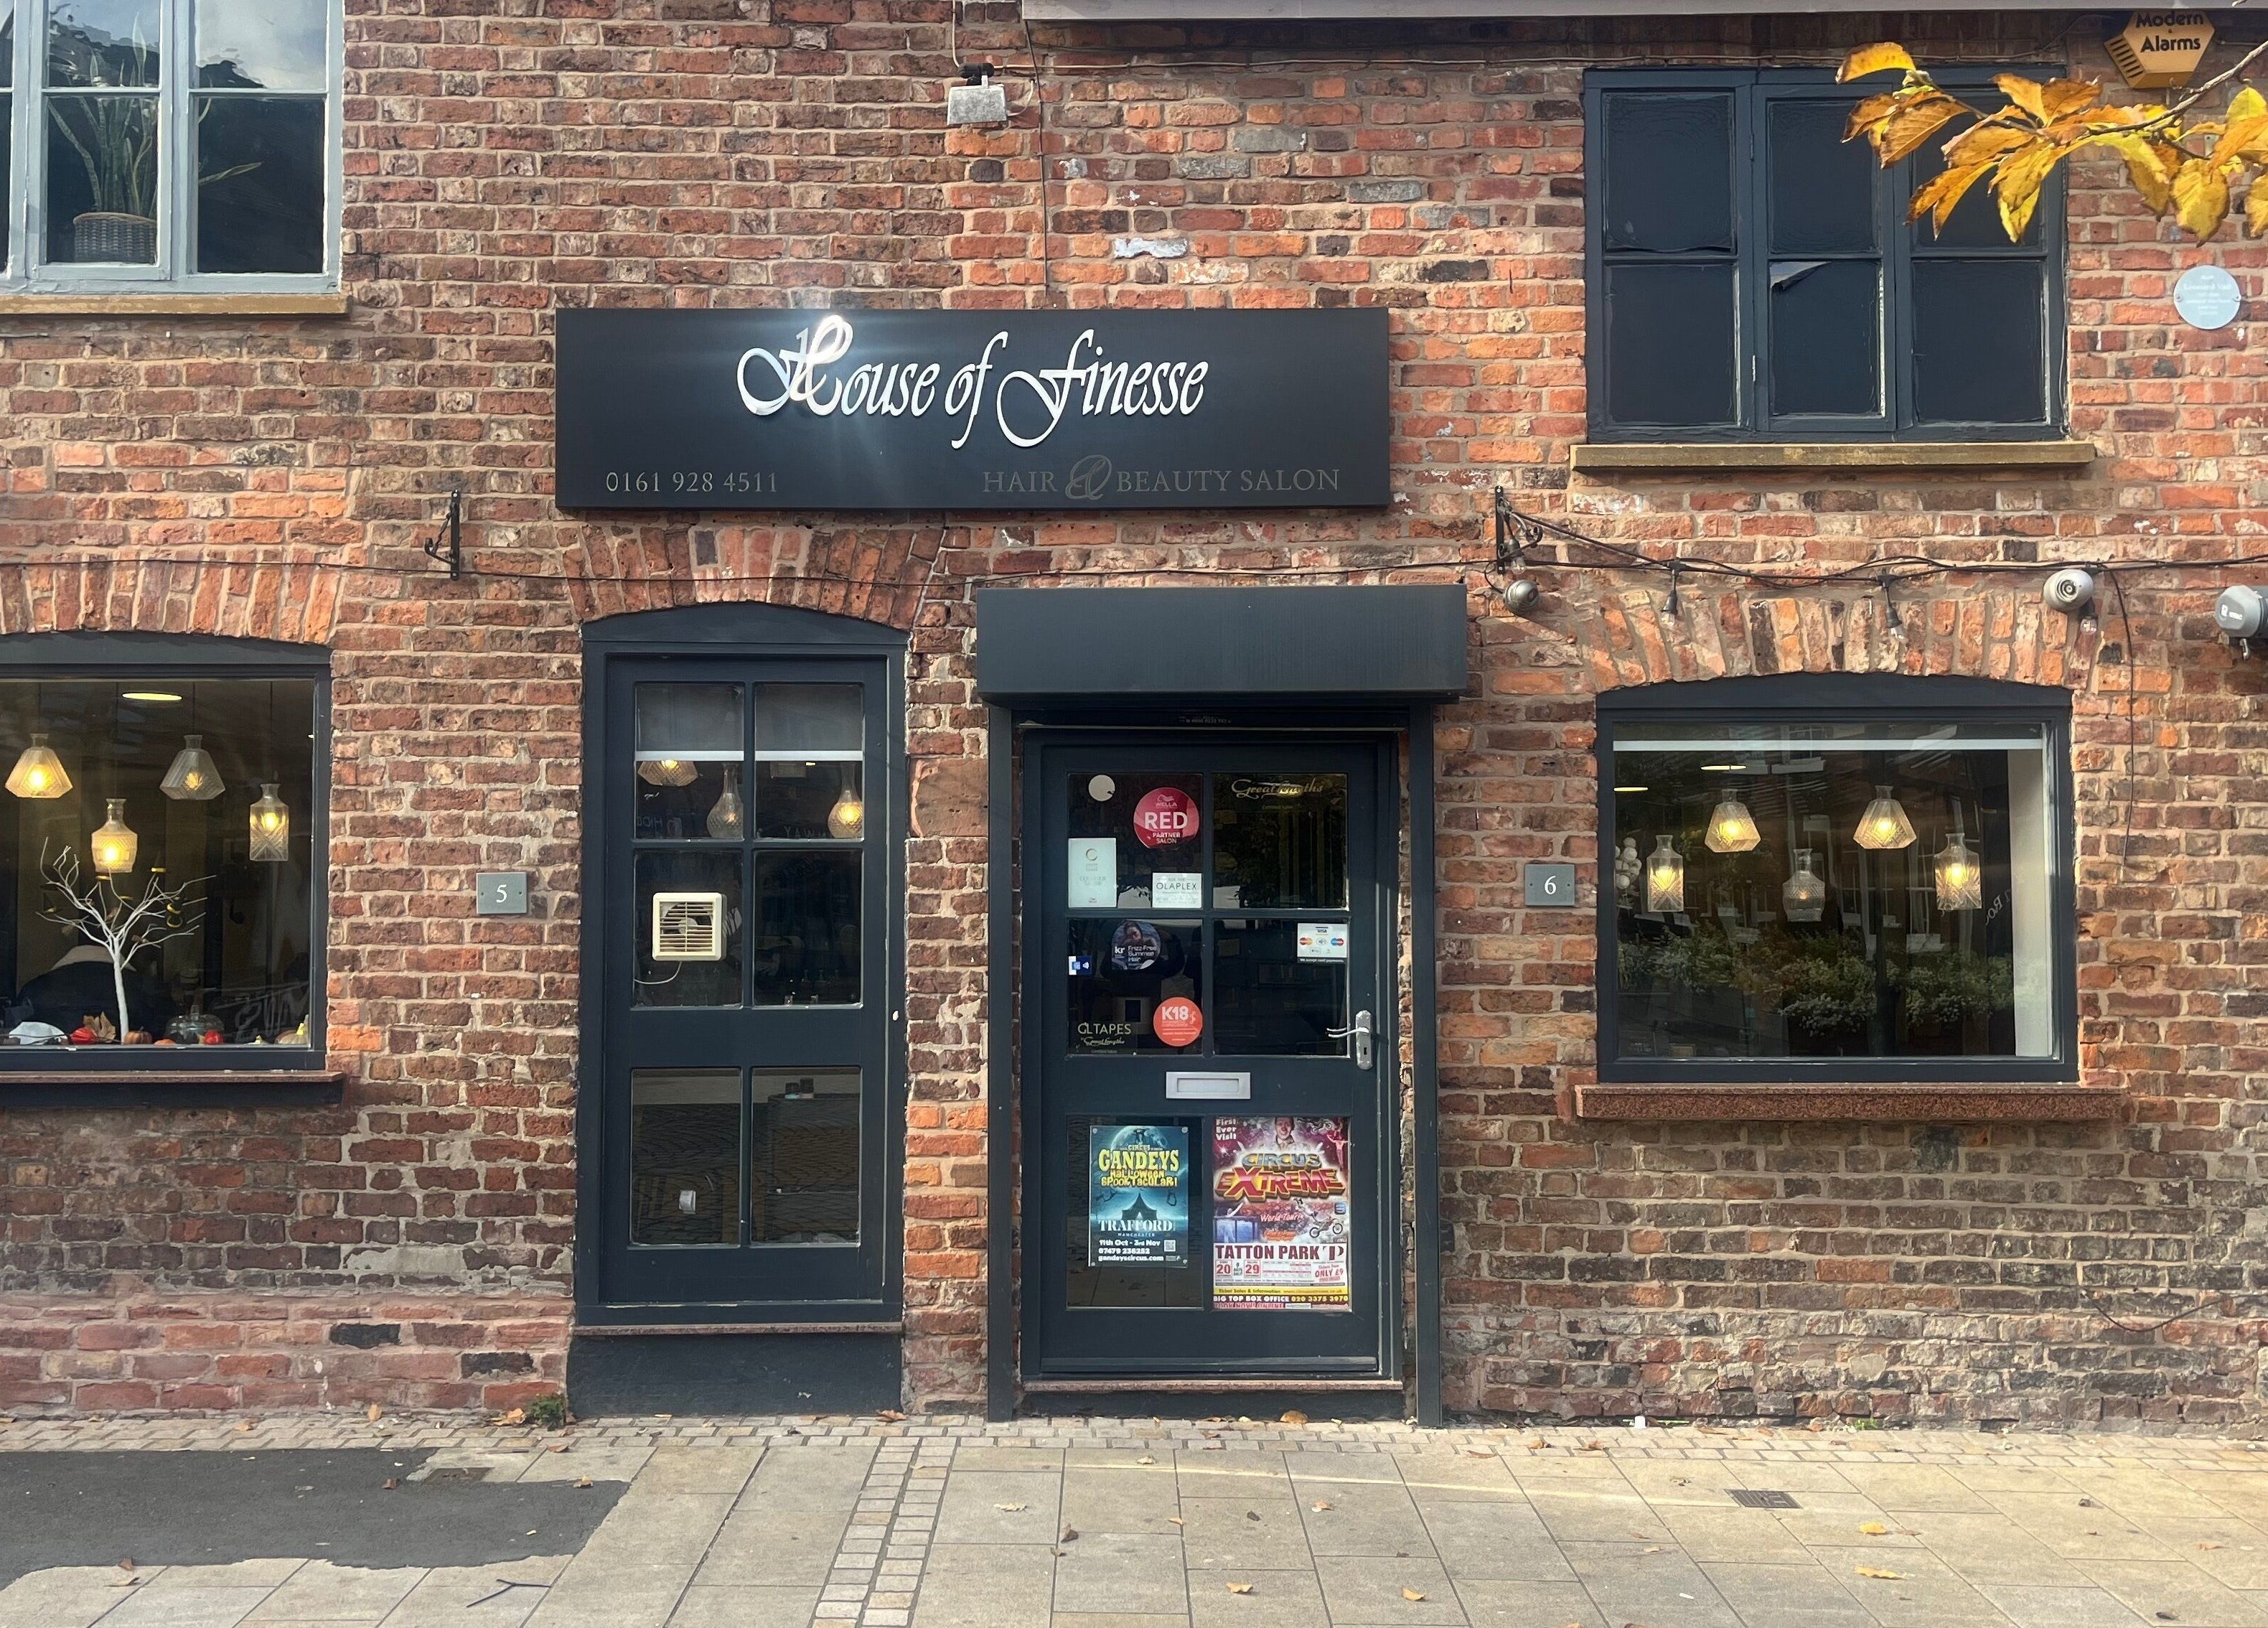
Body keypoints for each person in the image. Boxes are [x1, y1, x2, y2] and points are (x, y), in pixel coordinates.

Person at [16, 941, 178, 1039]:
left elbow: (15, 1026)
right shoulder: (143, 985)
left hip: (46, 1062)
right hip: (130, 1061)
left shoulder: (38, 986)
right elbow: (169, 1024)